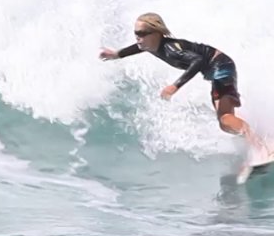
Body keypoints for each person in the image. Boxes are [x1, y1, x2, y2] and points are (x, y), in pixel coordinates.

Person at [99, 13, 258, 147]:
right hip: (217, 69)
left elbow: (198, 60)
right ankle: (251, 139)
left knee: (224, 118)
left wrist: (175, 86)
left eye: (142, 33)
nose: (138, 38)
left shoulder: (171, 49)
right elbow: (137, 48)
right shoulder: (150, 45)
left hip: (220, 67)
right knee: (224, 123)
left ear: (156, 33)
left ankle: (257, 142)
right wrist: (116, 54)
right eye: (136, 33)